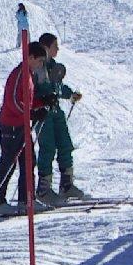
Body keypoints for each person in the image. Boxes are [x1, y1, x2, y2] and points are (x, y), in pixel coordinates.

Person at [0, 42, 50, 215]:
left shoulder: (28, 74)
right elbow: (13, 101)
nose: (40, 65)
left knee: (29, 161)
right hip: (11, 126)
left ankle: (26, 200)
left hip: (22, 124)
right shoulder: (19, 74)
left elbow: (26, 101)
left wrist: (43, 103)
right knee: (9, 162)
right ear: (30, 58)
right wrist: (30, 114)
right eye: (39, 61)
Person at [33, 33, 84, 202]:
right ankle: (43, 189)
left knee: (65, 144)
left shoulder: (54, 66)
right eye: (55, 46)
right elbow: (35, 90)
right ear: (46, 47)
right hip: (43, 113)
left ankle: (66, 184)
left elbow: (58, 87)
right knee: (47, 147)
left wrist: (70, 95)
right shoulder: (37, 67)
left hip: (56, 111)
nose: (58, 49)